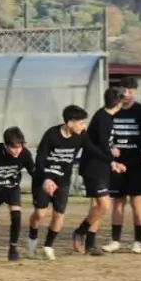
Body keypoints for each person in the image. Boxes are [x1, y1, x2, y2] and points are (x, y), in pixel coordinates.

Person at [28, 105, 90, 261]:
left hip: (63, 180)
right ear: (70, 123)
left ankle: (48, 246)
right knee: (40, 213)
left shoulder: (81, 135)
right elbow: (40, 159)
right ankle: (32, 239)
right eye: (81, 123)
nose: (84, 126)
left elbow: (93, 149)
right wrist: (46, 179)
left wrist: (111, 161)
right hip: (44, 178)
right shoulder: (51, 135)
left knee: (58, 214)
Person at [71, 87, 127, 256]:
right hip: (93, 167)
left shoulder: (106, 117)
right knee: (104, 205)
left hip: (101, 166)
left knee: (97, 206)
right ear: (118, 103)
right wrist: (113, 162)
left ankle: (90, 244)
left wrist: (112, 150)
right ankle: (80, 232)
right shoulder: (103, 119)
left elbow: (104, 143)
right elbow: (101, 145)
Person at [105, 77, 141, 254]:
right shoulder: (113, 110)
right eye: (124, 90)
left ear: (135, 92)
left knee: (137, 202)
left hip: (136, 163)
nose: (126, 94)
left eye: (131, 91)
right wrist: (111, 148)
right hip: (117, 163)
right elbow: (105, 134)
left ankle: (138, 241)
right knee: (118, 202)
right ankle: (115, 240)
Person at [0, 127, 35, 261]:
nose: (17, 150)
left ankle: (13, 248)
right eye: (13, 147)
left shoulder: (25, 154)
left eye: (20, 146)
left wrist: (46, 182)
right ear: (5, 145)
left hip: (12, 188)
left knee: (16, 215)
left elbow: (34, 172)